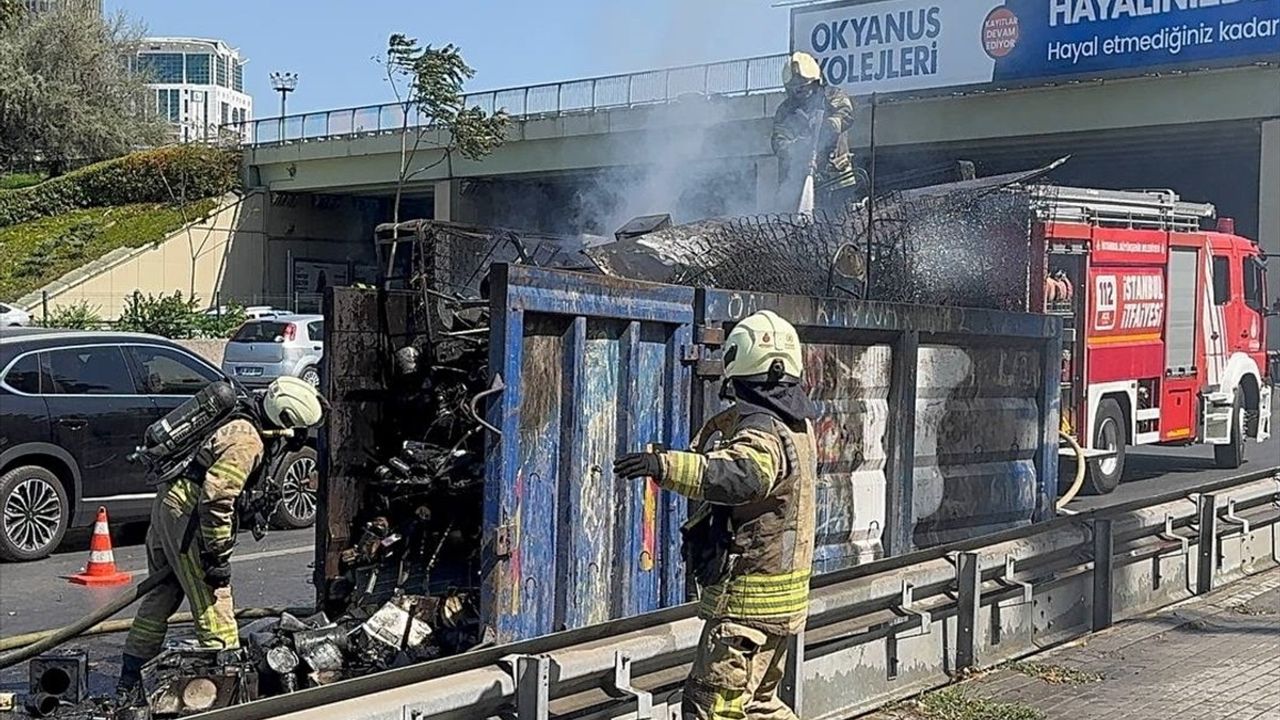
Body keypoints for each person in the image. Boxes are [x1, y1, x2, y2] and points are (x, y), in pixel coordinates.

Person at [614, 310, 818, 720]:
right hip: (778, 605)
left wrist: (665, 467)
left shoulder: (762, 429)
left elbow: (744, 476)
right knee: (759, 705)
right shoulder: (797, 425)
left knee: (712, 707)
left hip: (746, 607)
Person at [118, 376, 326, 698]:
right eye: (298, 431)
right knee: (214, 602)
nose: (298, 439)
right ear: (285, 421)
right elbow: (216, 501)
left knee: (164, 592)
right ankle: (226, 686)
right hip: (188, 515)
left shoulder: (246, 411)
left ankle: (129, 681)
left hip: (170, 501)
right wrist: (215, 556)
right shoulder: (247, 442)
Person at [771, 51, 860, 214]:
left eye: (803, 86)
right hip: (801, 179)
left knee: (839, 228)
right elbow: (779, 143)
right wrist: (800, 146)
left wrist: (829, 127)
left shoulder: (833, 95)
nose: (799, 91)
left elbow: (846, 114)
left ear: (815, 82)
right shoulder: (785, 111)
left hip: (837, 179)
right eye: (795, 88)